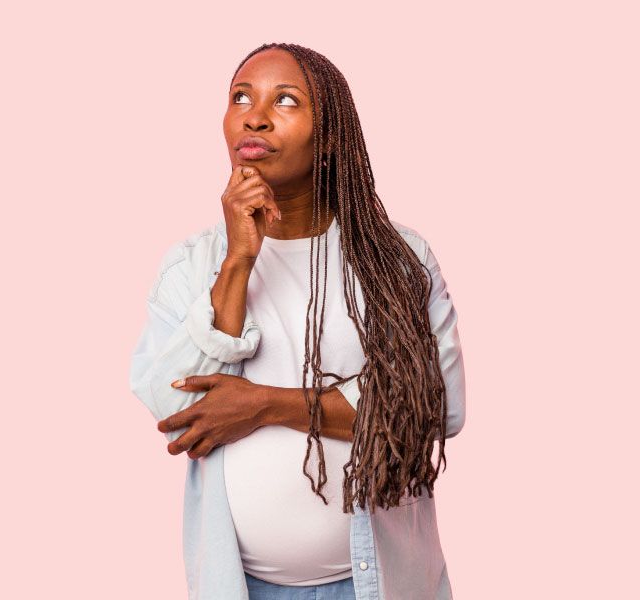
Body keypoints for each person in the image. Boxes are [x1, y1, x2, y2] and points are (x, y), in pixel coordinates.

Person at [130, 43, 466, 600]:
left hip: (375, 586)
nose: (254, 115)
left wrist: (265, 403)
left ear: (329, 133)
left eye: (285, 100)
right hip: (242, 588)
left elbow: (434, 408)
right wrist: (239, 260)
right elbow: (175, 412)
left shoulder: (395, 259)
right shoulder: (191, 266)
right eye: (241, 97)